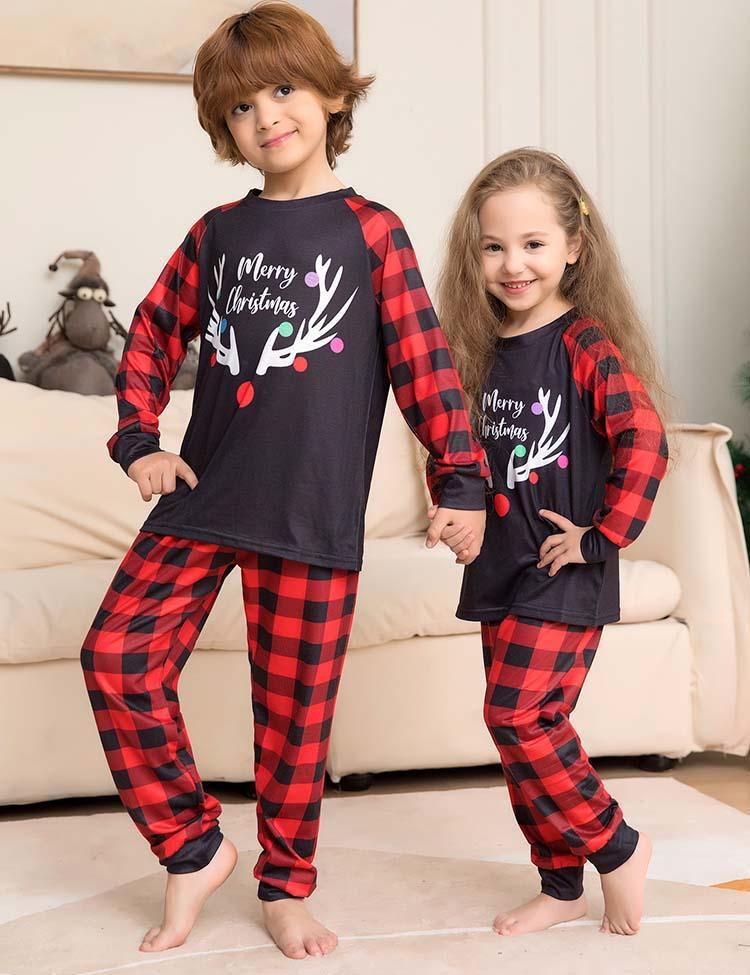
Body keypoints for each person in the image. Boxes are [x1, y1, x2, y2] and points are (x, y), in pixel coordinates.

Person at [80, 2, 488, 959]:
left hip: (310, 516)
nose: (265, 115)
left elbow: (425, 368)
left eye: (283, 88)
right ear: (223, 129)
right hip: (203, 497)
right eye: (239, 106)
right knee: (116, 657)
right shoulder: (217, 233)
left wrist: (461, 482)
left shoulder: (373, 233)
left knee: (294, 717)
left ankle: (286, 886)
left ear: (332, 96)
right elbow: (151, 334)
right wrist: (139, 438)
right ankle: (192, 847)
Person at [429, 147, 670, 937]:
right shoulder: (480, 348)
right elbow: (458, 452)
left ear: (573, 245)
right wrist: (456, 507)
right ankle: (559, 881)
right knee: (519, 733)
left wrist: (604, 535)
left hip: (564, 570)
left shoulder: (584, 344)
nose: (513, 264)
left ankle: (617, 844)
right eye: (494, 246)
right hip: (499, 565)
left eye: (533, 243)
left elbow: (645, 439)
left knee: (518, 713)